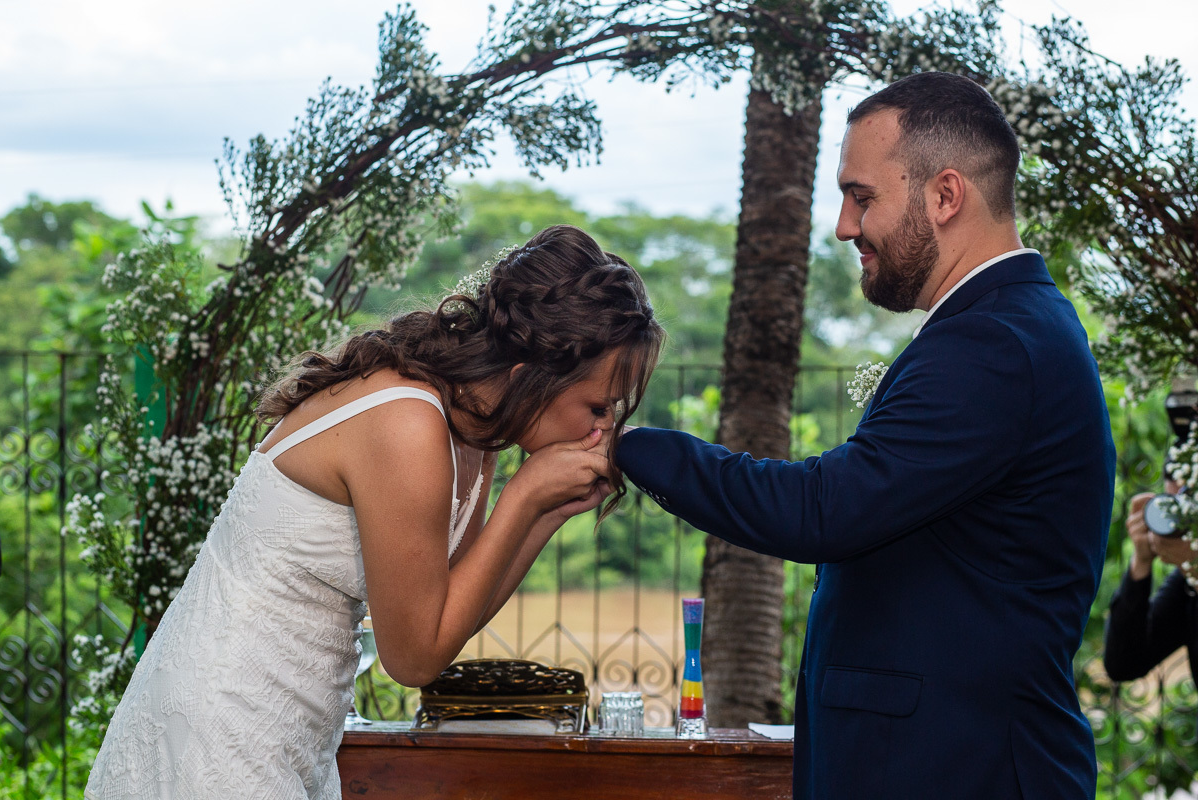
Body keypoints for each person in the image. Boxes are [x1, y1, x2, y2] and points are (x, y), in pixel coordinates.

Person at [615, 72, 1115, 798]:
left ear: (946, 196)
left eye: (862, 197)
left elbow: (822, 509)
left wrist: (625, 444)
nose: (845, 226)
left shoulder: (995, 345)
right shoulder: (1005, 328)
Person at [85, 224, 664, 799]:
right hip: (222, 724)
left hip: (290, 731)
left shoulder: (472, 428)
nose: (604, 429)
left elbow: (450, 616)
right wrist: (523, 497)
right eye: (597, 406)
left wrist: (546, 512)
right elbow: (412, 659)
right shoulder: (408, 422)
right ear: (530, 377)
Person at [1104, 462, 1198, 687]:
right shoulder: (1187, 584)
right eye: (1173, 506)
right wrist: (1141, 561)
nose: (1182, 522)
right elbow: (1123, 664)